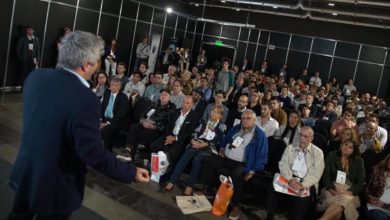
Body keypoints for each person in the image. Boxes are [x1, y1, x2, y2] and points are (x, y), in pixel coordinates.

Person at [7, 31, 149, 220]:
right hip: (56, 185)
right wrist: (131, 172)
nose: (99, 64)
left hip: (26, 172)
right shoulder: (86, 99)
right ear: (86, 64)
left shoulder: (36, 77)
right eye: (98, 60)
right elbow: (91, 153)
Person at [202, 109, 268, 219]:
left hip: (243, 164)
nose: (245, 121)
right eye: (243, 118)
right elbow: (225, 140)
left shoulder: (260, 135)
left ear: (254, 120)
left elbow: (262, 157)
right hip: (227, 158)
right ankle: (209, 190)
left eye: (248, 118)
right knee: (208, 160)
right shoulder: (236, 128)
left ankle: (235, 205)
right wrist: (222, 148)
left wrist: (252, 171)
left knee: (237, 176)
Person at [165, 106, 226, 195]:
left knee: (197, 160)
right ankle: (172, 181)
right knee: (184, 157)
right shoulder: (203, 121)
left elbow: (218, 139)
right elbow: (195, 132)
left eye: (217, 112)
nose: (213, 113)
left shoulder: (222, 126)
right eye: (213, 111)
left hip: (207, 147)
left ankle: (190, 185)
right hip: (196, 143)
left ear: (220, 115)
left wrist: (204, 144)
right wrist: (193, 140)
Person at [266, 126, 325, 220]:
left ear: (311, 138)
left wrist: (303, 184)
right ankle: (270, 216)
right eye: (300, 135)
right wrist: (290, 179)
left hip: (306, 182)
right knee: (273, 186)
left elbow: (315, 174)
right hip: (290, 178)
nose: (302, 138)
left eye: (305, 136)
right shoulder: (290, 147)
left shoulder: (318, 153)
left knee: (302, 199)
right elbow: (283, 164)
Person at [117, 89, 176, 162]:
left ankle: (129, 154)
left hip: (156, 130)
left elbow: (167, 124)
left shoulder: (171, 108)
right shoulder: (154, 104)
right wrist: (143, 121)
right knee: (133, 126)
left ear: (170, 97)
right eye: (162, 94)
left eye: (165, 95)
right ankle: (128, 151)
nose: (163, 96)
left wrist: (153, 125)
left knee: (135, 134)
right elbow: (143, 115)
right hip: (145, 124)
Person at [318, 139, 365, 220]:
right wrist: (332, 190)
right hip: (331, 188)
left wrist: (349, 192)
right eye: (345, 144)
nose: (347, 147)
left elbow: (361, 182)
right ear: (341, 145)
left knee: (344, 202)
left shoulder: (359, 161)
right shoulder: (331, 155)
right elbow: (326, 176)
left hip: (349, 191)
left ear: (353, 151)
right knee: (342, 205)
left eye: (350, 147)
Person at [150, 96, 200, 166]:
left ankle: (165, 172)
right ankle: (155, 167)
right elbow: (168, 125)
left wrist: (175, 138)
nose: (184, 104)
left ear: (192, 105)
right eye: (183, 102)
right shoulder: (176, 111)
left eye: (187, 103)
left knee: (170, 152)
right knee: (154, 146)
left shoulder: (194, 116)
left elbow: (189, 133)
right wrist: (168, 137)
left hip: (179, 140)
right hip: (169, 135)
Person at [100, 77, 129, 151]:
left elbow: (121, 114)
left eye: (115, 85)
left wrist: (107, 123)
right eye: (112, 84)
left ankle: (107, 151)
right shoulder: (107, 92)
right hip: (105, 118)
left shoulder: (123, 97)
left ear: (119, 87)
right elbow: (102, 106)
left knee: (105, 130)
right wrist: (100, 118)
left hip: (116, 120)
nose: (112, 87)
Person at [366, 154, 390, 220]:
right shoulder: (378, 173)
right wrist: (370, 199)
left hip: (388, 209)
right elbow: (367, 190)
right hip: (375, 208)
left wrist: (384, 205)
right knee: (380, 216)